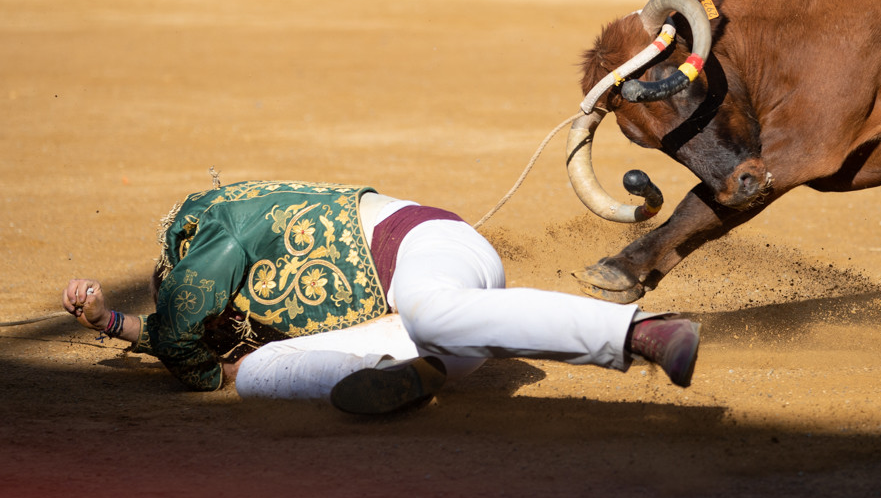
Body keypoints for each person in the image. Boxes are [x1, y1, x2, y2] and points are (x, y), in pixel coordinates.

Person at [61, 179, 700, 415]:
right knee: (255, 373)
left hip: (431, 253)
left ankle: (640, 333)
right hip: (435, 339)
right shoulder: (245, 283)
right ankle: (401, 378)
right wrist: (110, 322)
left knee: (432, 312)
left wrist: (169, 341)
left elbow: (180, 332)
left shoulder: (216, 228)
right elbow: (192, 336)